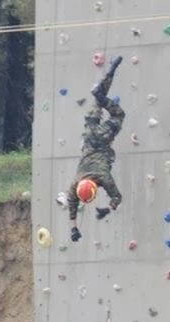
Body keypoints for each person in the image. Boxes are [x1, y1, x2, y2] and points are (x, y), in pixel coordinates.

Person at [66, 55, 125, 243]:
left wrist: (108, 209)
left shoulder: (103, 178)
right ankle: (110, 74)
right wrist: (73, 229)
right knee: (98, 100)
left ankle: (101, 94)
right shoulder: (75, 183)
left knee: (118, 114)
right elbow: (71, 203)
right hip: (88, 136)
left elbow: (117, 196)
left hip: (101, 140)